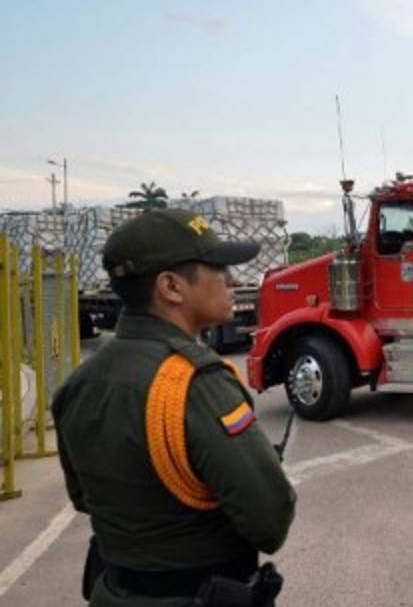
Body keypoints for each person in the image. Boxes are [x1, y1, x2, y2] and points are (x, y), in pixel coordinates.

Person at [52, 208, 296, 606]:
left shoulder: (78, 384)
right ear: (171, 287)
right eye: (218, 268)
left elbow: (84, 497)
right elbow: (270, 521)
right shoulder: (197, 385)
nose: (232, 281)